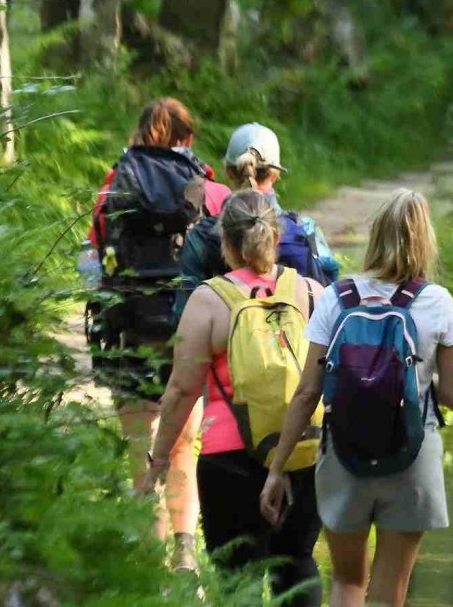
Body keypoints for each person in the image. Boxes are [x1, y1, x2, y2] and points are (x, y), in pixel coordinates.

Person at [261, 189, 453, 607]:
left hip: (343, 455)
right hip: (412, 457)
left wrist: (277, 468)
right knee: (390, 592)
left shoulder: (337, 298)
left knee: (347, 581)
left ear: (375, 236)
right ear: (425, 241)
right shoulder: (437, 302)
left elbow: (307, 393)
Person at [139, 190, 326, 606]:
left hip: (230, 458)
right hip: (302, 450)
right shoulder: (312, 293)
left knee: (237, 578)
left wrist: (160, 460)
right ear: (276, 236)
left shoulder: (209, 300)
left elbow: (181, 390)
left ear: (224, 241)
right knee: (297, 564)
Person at [85, 97, 229, 572]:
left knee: (139, 444)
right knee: (183, 442)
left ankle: (150, 562)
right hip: (186, 327)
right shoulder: (204, 185)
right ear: (187, 138)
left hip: (129, 325)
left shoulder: (117, 179)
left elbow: (94, 254)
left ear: (140, 131)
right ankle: (186, 556)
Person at [175, 122, 339, 318]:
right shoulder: (305, 228)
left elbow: (183, 313)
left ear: (228, 171)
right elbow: (330, 292)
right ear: (275, 175)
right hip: (294, 336)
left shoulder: (202, 236)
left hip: (226, 336)